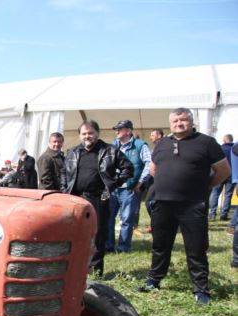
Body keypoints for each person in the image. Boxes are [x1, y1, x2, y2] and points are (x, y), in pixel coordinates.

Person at [140, 108, 230, 305]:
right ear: (170, 123)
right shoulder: (162, 143)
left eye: (183, 120)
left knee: (196, 247)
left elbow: (223, 170)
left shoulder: (206, 142)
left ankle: (201, 290)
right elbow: (154, 169)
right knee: (160, 245)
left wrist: (206, 186)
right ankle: (153, 280)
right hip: (163, 203)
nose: (179, 123)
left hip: (193, 204)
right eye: (175, 120)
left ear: (191, 121)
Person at [62, 120, 133, 276]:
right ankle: (75, 269)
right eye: (84, 133)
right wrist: (64, 190)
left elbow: (128, 168)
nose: (88, 136)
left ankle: (95, 271)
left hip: (98, 198)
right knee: (75, 233)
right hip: (75, 199)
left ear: (97, 133)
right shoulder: (73, 152)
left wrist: (113, 184)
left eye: (91, 133)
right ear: (80, 135)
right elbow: (64, 173)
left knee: (98, 234)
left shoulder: (110, 150)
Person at [106, 120, 152, 253]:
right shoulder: (113, 146)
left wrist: (140, 182)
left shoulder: (140, 145)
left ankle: (123, 248)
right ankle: (108, 246)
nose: (116, 132)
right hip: (114, 188)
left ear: (128, 131)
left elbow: (149, 164)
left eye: (119, 129)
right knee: (109, 217)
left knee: (126, 219)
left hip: (129, 189)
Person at [208, 134, 235, 221]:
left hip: (220, 173)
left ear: (224, 140)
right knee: (228, 195)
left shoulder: (220, 148)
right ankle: (224, 215)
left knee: (215, 193)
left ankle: (212, 213)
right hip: (231, 175)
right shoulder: (235, 149)